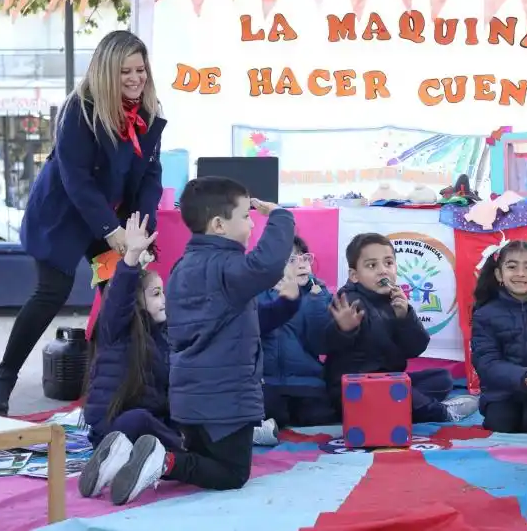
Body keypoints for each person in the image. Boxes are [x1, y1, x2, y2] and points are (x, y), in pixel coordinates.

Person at [0, 31, 166, 417]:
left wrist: (139, 231)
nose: (135, 79)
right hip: (66, 216)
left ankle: (119, 385)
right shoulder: (80, 109)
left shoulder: (148, 113)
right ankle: (2, 378)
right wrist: (111, 231)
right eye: (125, 71)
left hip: (112, 217)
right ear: (106, 72)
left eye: (140, 70)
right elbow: (76, 178)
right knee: (53, 291)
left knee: (124, 289)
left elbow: (150, 176)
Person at [103, 176, 296, 505]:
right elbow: (266, 264)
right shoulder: (227, 267)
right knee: (231, 473)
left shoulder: (181, 268)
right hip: (225, 400)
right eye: (246, 217)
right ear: (219, 224)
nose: (252, 225)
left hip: (188, 398)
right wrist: (280, 216)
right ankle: (163, 462)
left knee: (204, 457)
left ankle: (126, 460)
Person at [324, 233, 479, 423]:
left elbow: (416, 348)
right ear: (355, 275)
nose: (383, 271)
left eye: (388, 263)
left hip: (389, 380)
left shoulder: (394, 300)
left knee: (442, 379)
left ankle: (400, 405)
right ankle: (439, 412)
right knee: (395, 391)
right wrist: (345, 330)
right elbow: (326, 342)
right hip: (356, 387)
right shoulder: (348, 301)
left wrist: (405, 317)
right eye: (372, 265)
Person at [78, 213, 179, 499]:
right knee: (140, 421)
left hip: (146, 421)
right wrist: (131, 257)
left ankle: (122, 465)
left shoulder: (163, 334)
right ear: (137, 300)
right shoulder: (116, 329)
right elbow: (118, 298)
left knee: (169, 419)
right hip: (112, 428)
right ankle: (179, 451)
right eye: (157, 293)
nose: (164, 300)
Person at [470, 240, 527, 434]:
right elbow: (486, 360)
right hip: (502, 392)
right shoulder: (485, 314)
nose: (520, 273)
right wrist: (520, 376)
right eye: (512, 267)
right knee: (500, 423)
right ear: (499, 274)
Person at [260, 236, 339, 430]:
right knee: (272, 415)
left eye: (305, 258)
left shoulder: (318, 294)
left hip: (308, 382)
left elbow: (321, 343)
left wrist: (316, 301)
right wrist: (282, 301)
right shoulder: (258, 294)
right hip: (267, 383)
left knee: (320, 418)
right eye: (292, 260)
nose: (302, 264)